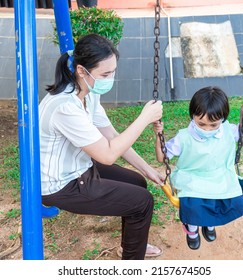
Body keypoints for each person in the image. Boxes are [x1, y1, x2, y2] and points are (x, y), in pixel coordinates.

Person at [39, 34, 164, 260]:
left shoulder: (88, 93)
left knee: (138, 182)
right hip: (60, 185)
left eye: (113, 71)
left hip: (80, 168)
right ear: (81, 71)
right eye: (105, 74)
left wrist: (148, 170)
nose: (110, 78)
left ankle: (131, 245)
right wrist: (144, 118)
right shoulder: (65, 107)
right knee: (142, 202)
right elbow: (107, 155)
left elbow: (113, 136)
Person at [153, 86, 243, 250]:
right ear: (193, 116)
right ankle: (192, 231)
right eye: (201, 124)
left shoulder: (227, 130)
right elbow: (161, 157)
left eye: (213, 125)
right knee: (194, 206)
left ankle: (209, 224)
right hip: (191, 178)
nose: (207, 129)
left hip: (220, 176)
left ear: (223, 119)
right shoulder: (184, 137)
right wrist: (159, 136)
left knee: (221, 201)